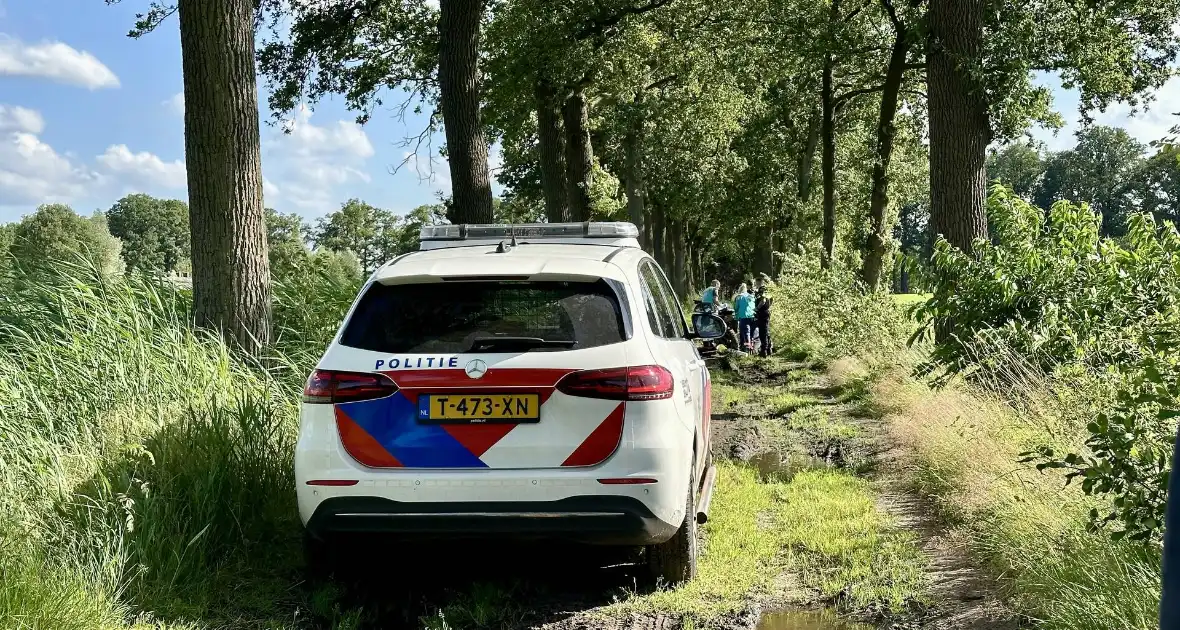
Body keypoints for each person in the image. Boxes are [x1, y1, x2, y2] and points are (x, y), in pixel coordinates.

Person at [733, 283, 756, 352]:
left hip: (743, 316)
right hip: (752, 316)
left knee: (745, 333)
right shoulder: (751, 296)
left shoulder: (739, 297)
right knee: (751, 333)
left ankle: (747, 349)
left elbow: (736, 308)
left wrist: (736, 314)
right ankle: (751, 348)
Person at [755, 284, 773, 357]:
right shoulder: (769, 295)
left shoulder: (762, 295)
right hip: (767, 313)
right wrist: (768, 307)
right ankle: (769, 349)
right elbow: (771, 301)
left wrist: (757, 308)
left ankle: (763, 351)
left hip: (762, 314)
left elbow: (763, 301)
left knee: (763, 333)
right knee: (767, 331)